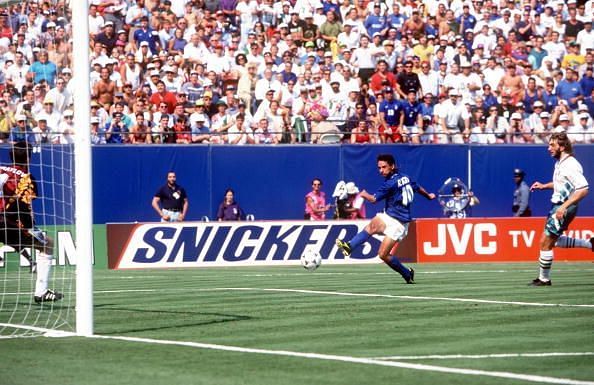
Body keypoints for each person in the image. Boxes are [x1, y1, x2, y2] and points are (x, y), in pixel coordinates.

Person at [336, 154, 436, 283]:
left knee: (383, 254)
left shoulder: (389, 184)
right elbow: (417, 187)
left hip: (399, 224)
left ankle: (406, 273)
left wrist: (364, 194)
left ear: (392, 166)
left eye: (384, 167)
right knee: (372, 226)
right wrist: (428, 196)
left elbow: (373, 200)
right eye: (379, 168)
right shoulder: (405, 177)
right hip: (389, 216)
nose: (381, 170)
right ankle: (349, 246)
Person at [0, 142, 63, 303]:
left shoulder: (2, 169)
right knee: (47, 243)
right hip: (5, 221)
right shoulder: (26, 178)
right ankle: (41, 292)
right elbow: (23, 207)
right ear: (28, 157)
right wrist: (32, 229)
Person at [529, 132, 592, 286]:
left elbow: (583, 189)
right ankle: (590, 244)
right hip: (558, 205)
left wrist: (563, 207)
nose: (548, 148)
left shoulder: (571, 164)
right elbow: (562, 184)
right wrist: (544, 186)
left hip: (563, 206)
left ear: (562, 146)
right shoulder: (560, 163)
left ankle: (544, 279)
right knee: (553, 241)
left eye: (552, 145)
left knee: (545, 242)